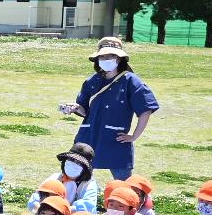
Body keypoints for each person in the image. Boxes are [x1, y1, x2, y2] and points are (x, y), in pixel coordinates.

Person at [58, 37, 159, 180]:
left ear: (119, 58)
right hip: (88, 136)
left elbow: (146, 109)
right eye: (103, 56)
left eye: (111, 55)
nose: (106, 59)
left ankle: (123, 202)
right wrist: (75, 108)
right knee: (75, 176)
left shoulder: (131, 81)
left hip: (116, 139)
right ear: (97, 58)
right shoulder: (92, 80)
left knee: (123, 182)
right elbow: (85, 109)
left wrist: (134, 136)